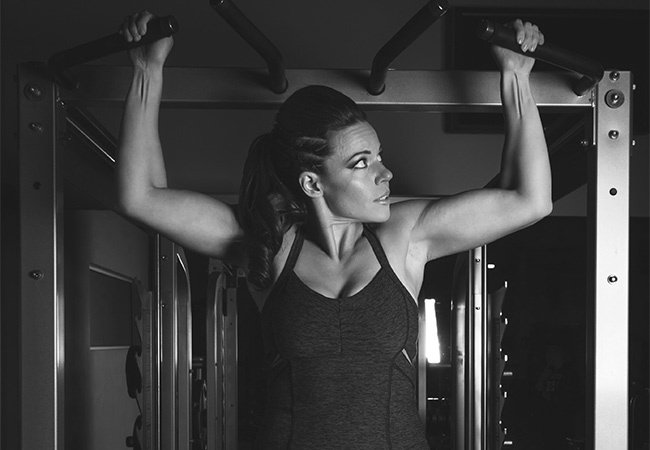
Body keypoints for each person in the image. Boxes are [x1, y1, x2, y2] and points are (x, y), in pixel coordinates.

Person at [117, 11, 551, 449]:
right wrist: (147, 71)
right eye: (362, 163)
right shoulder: (270, 243)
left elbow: (530, 200)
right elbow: (142, 197)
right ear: (312, 183)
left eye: (379, 156)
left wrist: (516, 77)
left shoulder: (405, 236)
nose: (385, 173)